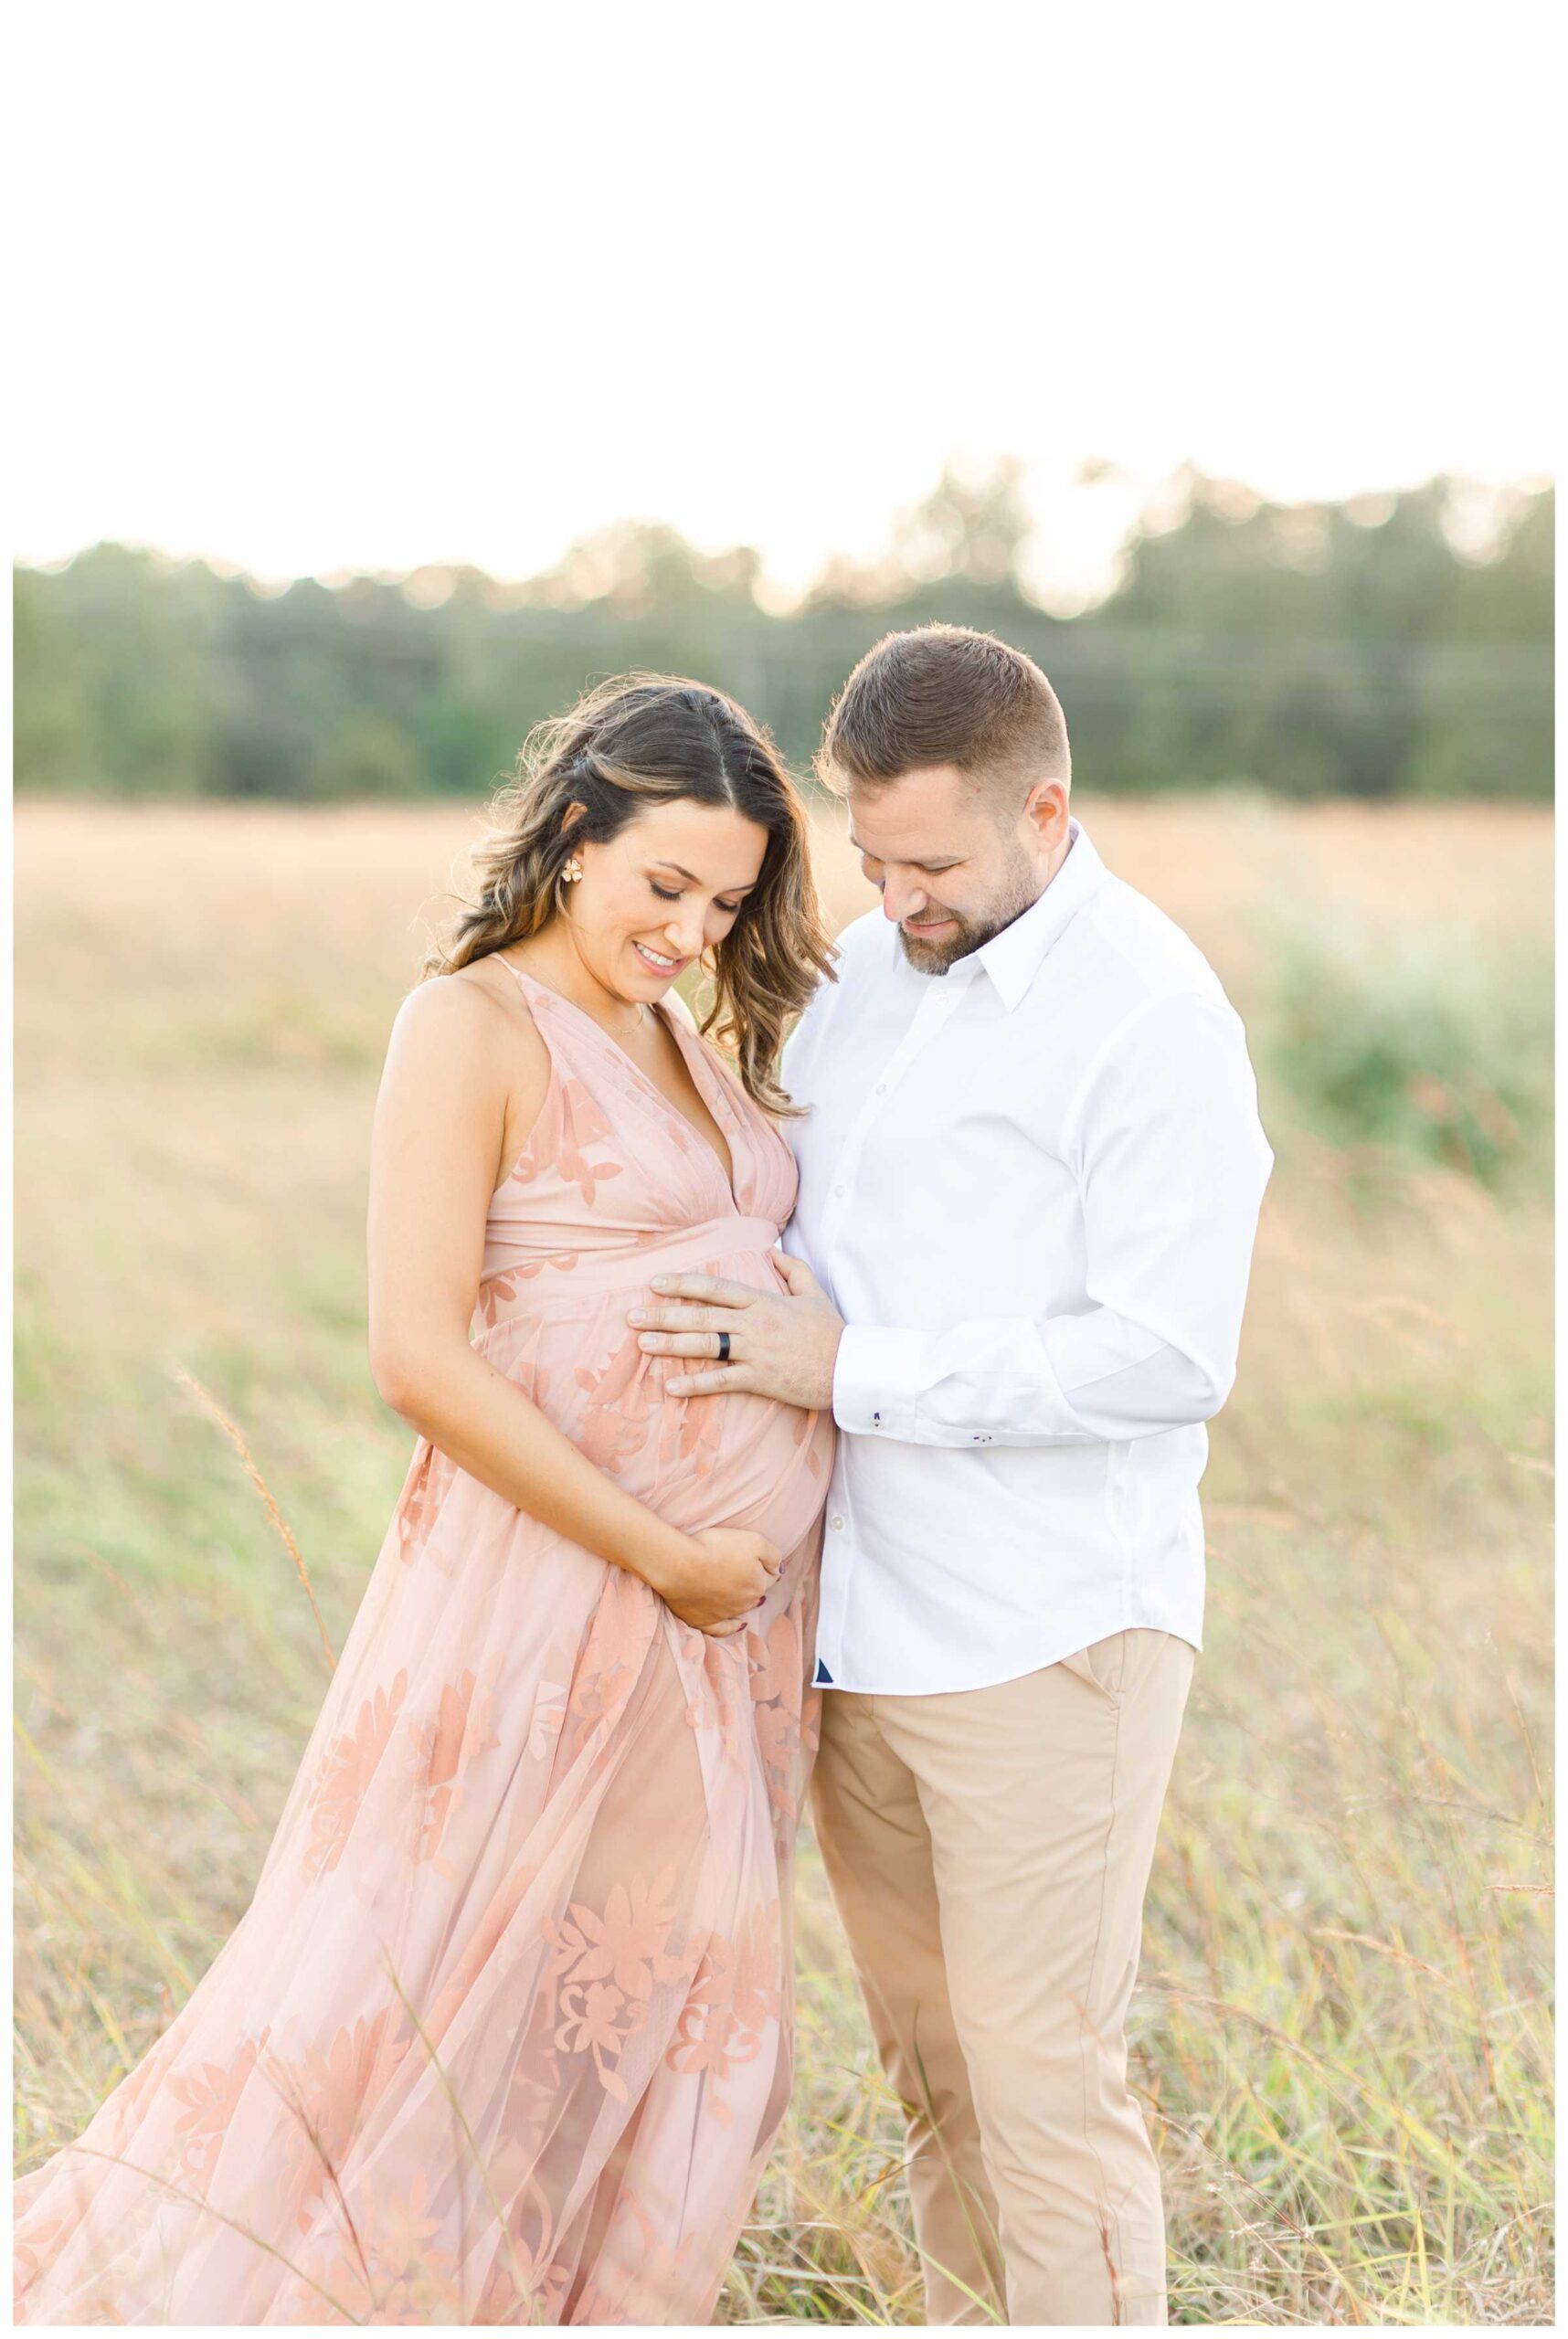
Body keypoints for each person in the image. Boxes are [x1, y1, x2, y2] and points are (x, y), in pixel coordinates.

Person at [14, 675, 838, 2326]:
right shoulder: (467, 1025)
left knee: (657, 1996)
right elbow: (417, 1354)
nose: (690, 929)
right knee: (478, 1985)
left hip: (722, 1617)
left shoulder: (675, 1027)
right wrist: (665, 1550)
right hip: (577, 1583)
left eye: (729, 900)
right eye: (662, 885)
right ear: (575, 832)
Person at [628, 623, 1275, 2325]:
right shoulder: (854, 981)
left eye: (932, 860)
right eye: (870, 851)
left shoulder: (1151, 1018)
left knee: (1042, 2087)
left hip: (1046, 1633)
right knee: (935, 2084)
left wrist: (855, 1374)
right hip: (855, 1630)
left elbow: (1165, 1352)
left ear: (1044, 811)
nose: (896, 892)